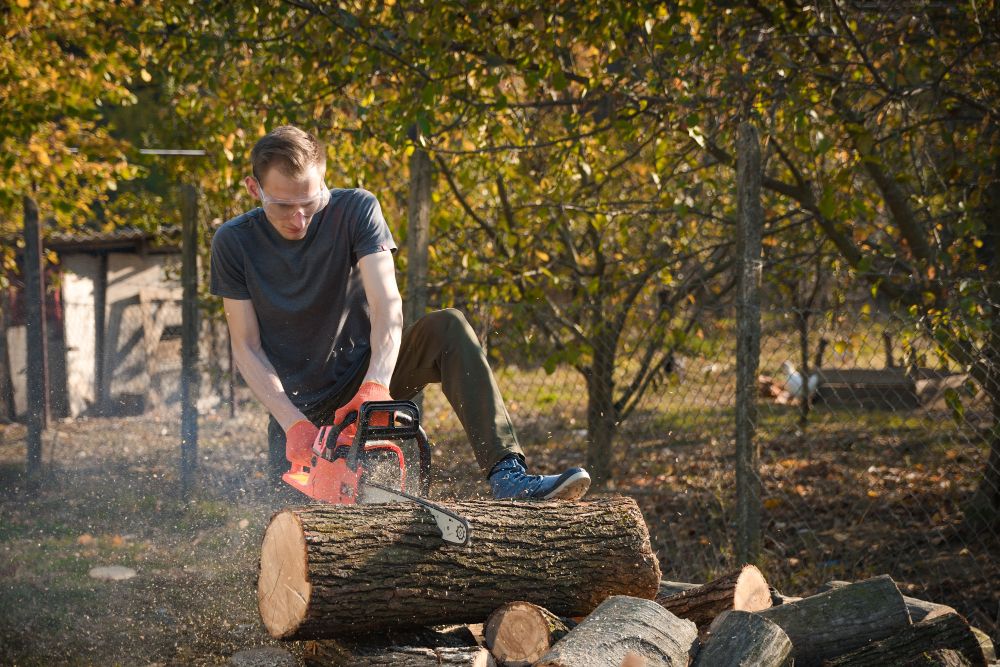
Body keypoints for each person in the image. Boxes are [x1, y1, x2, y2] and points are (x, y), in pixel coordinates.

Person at [210, 125, 590, 500]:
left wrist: (375, 386)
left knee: (448, 328)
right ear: (253, 188)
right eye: (283, 206)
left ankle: (508, 475)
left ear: (324, 181)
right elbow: (247, 346)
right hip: (295, 409)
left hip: (362, 377)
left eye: (310, 203)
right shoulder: (234, 242)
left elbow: (387, 304)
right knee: (294, 538)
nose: (299, 219)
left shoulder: (356, 210)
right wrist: (292, 421)